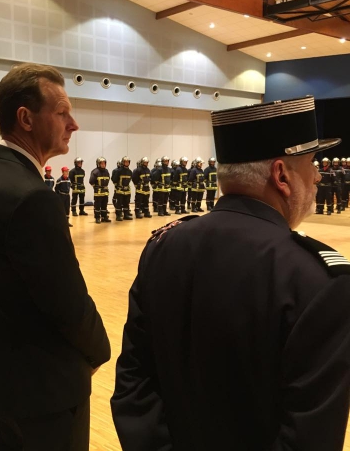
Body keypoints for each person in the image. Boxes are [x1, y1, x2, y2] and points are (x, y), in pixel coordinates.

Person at [111, 96, 350, 451]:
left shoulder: (163, 248)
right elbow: (309, 434)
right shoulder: (317, 280)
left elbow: (134, 382)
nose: (317, 176)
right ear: (282, 175)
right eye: (310, 163)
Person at [0, 63, 110, 451]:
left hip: (4, 376)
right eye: (62, 112)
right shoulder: (33, 197)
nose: (73, 124)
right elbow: (67, 303)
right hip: (45, 388)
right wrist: (99, 350)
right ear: (25, 118)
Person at [89, 157, 111, 224]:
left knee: (104, 205)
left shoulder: (106, 171)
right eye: (101, 163)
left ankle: (104, 217)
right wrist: (96, 188)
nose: (103, 164)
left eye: (104, 163)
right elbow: (91, 181)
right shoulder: (95, 172)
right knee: (97, 206)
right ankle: (97, 217)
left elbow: (108, 179)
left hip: (105, 192)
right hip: (98, 193)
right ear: (98, 164)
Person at [112, 156, 133, 221]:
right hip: (120, 190)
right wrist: (118, 186)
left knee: (126, 203)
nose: (127, 163)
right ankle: (118, 215)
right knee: (119, 203)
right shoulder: (118, 171)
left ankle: (126, 215)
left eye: (128, 162)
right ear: (123, 162)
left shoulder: (130, 171)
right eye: (125, 162)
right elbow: (114, 179)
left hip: (127, 190)